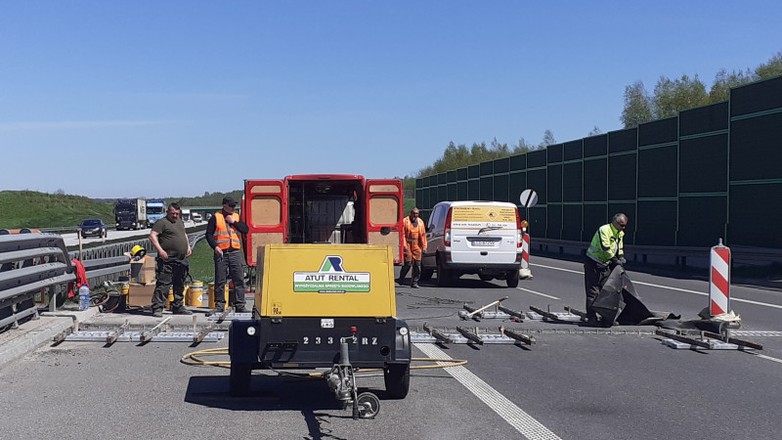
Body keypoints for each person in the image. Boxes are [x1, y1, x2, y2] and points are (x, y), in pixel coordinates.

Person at [206, 196, 249, 314]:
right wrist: (215, 247)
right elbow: (208, 234)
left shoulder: (236, 217)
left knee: (239, 279)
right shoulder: (216, 217)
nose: (233, 208)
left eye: (234, 206)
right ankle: (219, 305)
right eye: (231, 206)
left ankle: (240, 304)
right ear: (224, 206)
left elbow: (245, 229)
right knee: (220, 279)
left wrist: (233, 222)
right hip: (221, 253)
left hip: (235, 252)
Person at [149, 203, 192, 317]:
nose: (175, 216)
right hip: (167, 260)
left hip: (180, 259)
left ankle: (178, 306)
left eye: (177, 214)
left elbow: (184, 234)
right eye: (173, 213)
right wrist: (160, 250)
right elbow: (153, 236)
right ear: (167, 212)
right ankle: (157, 307)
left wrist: (188, 246)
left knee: (179, 284)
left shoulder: (180, 222)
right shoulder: (162, 223)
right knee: (164, 284)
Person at [583, 213, 628, 325]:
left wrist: (621, 257)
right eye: (622, 225)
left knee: (608, 291)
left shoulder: (620, 233)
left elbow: (620, 247)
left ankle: (607, 317)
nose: (623, 228)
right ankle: (591, 317)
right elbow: (606, 248)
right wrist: (615, 260)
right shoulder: (604, 230)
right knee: (593, 292)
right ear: (615, 222)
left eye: (625, 225)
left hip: (605, 264)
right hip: (594, 263)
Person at [398, 207, 427, 288]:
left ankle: (414, 282)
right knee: (408, 263)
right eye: (414, 213)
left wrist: (424, 247)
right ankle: (401, 279)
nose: (415, 215)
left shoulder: (420, 222)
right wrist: (404, 245)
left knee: (417, 265)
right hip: (407, 244)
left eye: (417, 213)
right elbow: (402, 234)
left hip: (417, 245)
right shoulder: (405, 221)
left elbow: (423, 235)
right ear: (411, 213)